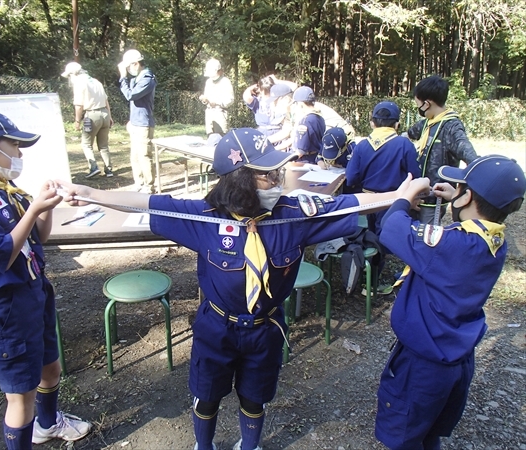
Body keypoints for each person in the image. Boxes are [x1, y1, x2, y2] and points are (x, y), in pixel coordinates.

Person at [56, 127, 428, 450]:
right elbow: (147, 202)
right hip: (216, 329)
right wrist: (89, 191)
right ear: (240, 180)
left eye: (277, 170)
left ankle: (249, 443)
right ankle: (204, 443)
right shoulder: (201, 219)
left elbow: (349, 204)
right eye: (268, 175)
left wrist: (399, 196)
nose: (279, 180)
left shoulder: (294, 216)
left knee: (256, 397)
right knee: (207, 396)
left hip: (265, 329)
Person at [0, 111, 91, 449]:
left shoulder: (9, 191)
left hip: (33, 294)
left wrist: (44, 206)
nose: (20, 154)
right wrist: (34, 209)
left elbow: (40, 237)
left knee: (50, 369)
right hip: (5, 310)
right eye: (15, 145)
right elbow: (1, 255)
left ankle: (49, 424)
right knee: (20, 398)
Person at [374, 154, 526, 450]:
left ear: (467, 196)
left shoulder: (452, 246)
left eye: (460, 188)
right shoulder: (494, 242)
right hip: (455, 360)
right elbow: (452, 241)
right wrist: (453, 202)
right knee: (429, 432)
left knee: (404, 438)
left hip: (422, 366)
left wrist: (404, 198)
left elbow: (393, 228)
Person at [406, 75, 478, 224]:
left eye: (418, 104)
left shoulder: (451, 127)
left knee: (426, 238)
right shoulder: (428, 122)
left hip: (434, 198)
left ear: (427, 103)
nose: (419, 109)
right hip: (416, 193)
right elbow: (407, 135)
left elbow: (470, 156)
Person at [346, 101, 421, 235]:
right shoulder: (404, 144)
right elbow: (415, 175)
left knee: (372, 234)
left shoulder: (362, 145)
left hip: (368, 200)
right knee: (387, 234)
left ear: (372, 123)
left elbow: (351, 178)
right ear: (397, 125)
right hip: (393, 200)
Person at [61, 62, 114, 178]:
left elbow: (79, 105)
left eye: (69, 76)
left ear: (73, 74)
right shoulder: (96, 81)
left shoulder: (79, 83)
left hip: (91, 115)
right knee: (103, 145)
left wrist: (77, 121)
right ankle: (109, 170)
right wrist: (109, 116)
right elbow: (106, 101)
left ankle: (93, 167)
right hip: (104, 113)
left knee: (86, 143)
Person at [119, 49, 157, 194]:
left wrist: (123, 78)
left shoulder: (147, 79)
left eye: (128, 67)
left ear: (136, 64)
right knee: (135, 157)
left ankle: (149, 187)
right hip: (135, 123)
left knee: (144, 156)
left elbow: (131, 95)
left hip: (144, 124)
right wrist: (131, 121)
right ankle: (139, 183)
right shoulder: (137, 78)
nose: (127, 71)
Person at [290, 86, 326, 163]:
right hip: (316, 157)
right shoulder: (320, 117)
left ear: (301, 104)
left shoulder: (305, 121)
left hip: (304, 160)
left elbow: (301, 151)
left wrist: (287, 159)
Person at [200, 58, 234, 138]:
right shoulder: (208, 82)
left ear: (219, 71)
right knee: (210, 137)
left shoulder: (225, 81)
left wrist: (217, 102)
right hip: (209, 112)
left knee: (221, 137)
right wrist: (204, 100)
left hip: (220, 112)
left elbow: (230, 99)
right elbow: (206, 96)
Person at [266, 83, 295, 151]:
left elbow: (295, 139)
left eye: (275, 101)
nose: (273, 105)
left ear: (286, 99)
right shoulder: (289, 112)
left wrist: (273, 150)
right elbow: (285, 132)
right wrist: (264, 140)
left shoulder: (299, 110)